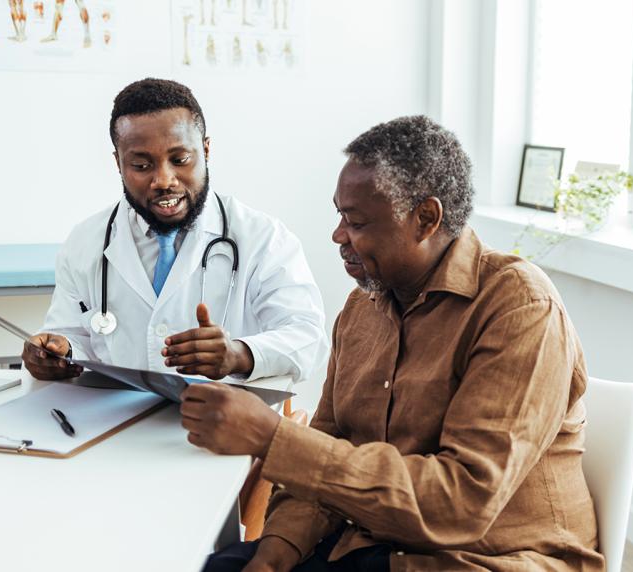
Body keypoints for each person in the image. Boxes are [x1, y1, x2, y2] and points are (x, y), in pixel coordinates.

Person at [193, 116, 605, 571]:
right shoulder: (361, 309)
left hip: (489, 558)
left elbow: (462, 503)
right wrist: (275, 554)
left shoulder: (519, 307)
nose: (338, 235)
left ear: (426, 218)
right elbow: (329, 449)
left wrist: (274, 439)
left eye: (356, 221)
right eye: (339, 215)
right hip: (375, 544)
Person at [22, 78, 328, 386]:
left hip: (228, 425)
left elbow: (308, 338)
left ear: (206, 150)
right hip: (120, 423)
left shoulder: (263, 238)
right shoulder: (85, 242)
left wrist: (238, 354)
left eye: (180, 160)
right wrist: (57, 352)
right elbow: (73, 335)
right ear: (119, 163)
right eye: (142, 166)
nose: (164, 180)